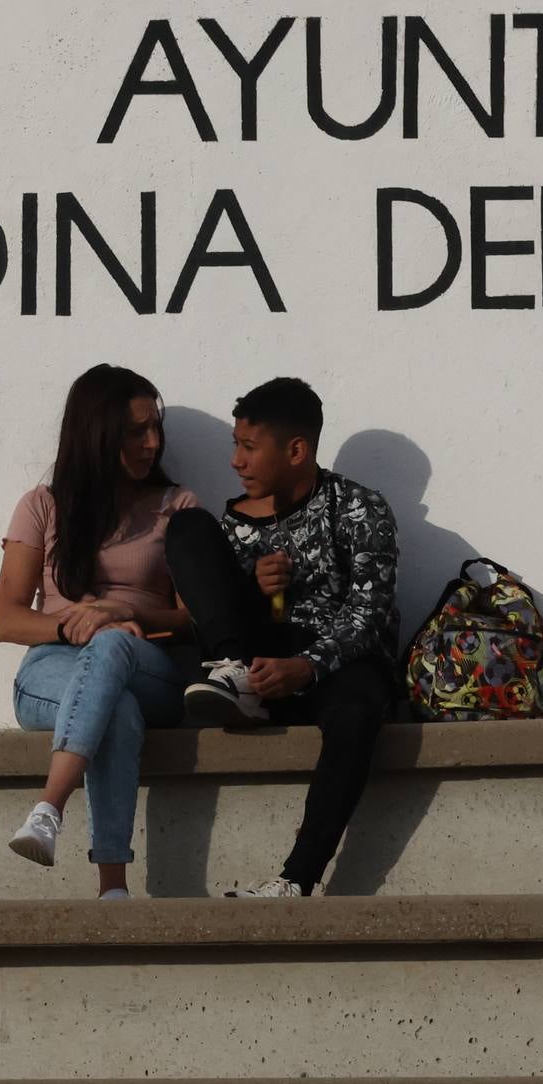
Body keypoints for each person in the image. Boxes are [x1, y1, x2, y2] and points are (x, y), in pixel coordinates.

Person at [161, 376, 400, 898]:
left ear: (296, 450)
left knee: (360, 708)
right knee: (185, 527)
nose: (235, 461)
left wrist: (309, 666)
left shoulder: (359, 507)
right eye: (234, 446)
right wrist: (251, 589)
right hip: (256, 670)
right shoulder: (231, 524)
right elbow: (211, 607)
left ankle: (298, 880)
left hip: (336, 669)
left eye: (248, 447)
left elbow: (369, 613)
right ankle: (233, 675)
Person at [0, 364, 200, 900]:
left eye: (155, 427)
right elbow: (5, 619)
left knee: (113, 647)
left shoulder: (177, 507)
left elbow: (195, 616)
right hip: (49, 673)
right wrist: (72, 625)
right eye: (136, 431)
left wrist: (120, 617)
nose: (152, 442)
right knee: (116, 707)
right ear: (96, 434)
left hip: (153, 667)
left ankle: (49, 807)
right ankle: (113, 889)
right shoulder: (43, 505)